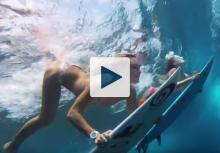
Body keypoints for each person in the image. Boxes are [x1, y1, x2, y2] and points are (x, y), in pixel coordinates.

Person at [3, 52, 147, 153]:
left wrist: (151, 116)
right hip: (58, 73)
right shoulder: (101, 84)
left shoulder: (130, 91)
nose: (140, 71)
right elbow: (72, 113)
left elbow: (135, 116)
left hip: (76, 69)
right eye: (135, 67)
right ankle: (12, 146)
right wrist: (95, 135)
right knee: (46, 119)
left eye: (139, 67)